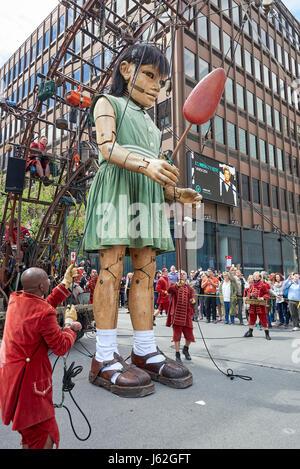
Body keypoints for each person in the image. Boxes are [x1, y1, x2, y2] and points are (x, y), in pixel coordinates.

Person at [83, 43, 202, 397]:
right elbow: (107, 148)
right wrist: (147, 164)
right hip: (117, 188)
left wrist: (176, 193)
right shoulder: (108, 102)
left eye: (161, 81)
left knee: (147, 276)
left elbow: (154, 173)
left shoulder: (153, 127)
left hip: (146, 195)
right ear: (125, 70)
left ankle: (145, 349)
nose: (156, 86)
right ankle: (104, 357)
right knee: (111, 271)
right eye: (149, 75)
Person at [0, 265, 82, 449]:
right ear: (42, 287)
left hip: (12, 382)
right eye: (47, 281)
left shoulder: (17, 300)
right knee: (45, 436)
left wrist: (65, 283)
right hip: (30, 387)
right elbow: (60, 347)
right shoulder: (43, 313)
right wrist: (69, 325)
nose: (48, 283)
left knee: (30, 437)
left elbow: (42, 307)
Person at [166, 271, 195, 369]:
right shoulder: (174, 286)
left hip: (186, 315)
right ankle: (177, 354)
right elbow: (169, 291)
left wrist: (193, 301)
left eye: (184, 275)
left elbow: (192, 299)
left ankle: (185, 349)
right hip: (177, 315)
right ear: (178, 277)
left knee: (189, 336)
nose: (183, 276)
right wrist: (177, 285)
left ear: (186, 277)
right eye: (181, 275)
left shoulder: (190, 289)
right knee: (177, 336)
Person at [243, 271, 271, 340]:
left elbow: (267, 294)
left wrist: (262, 298)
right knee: (251, 319)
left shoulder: (263, 285)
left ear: (259, 277)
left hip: (260, 306)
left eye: (256, 276)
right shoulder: (251, 285)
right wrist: (250, 294)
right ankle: (250, 332)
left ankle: (267, 334)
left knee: (263, 320)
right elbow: (248, 293)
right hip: (252, 305)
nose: (255, 277)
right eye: (254, 276)